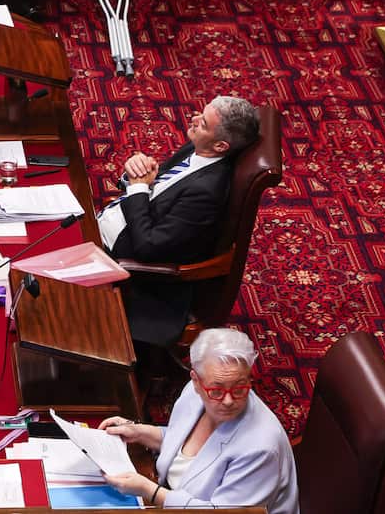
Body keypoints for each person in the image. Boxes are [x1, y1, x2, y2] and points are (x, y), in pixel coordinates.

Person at [98, 96, 260, 345]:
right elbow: (156, 188)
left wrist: (139, 188)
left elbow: (148, 247)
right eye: (200, 113)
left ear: (221, 147)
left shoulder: (206, 193)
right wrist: (134, 176)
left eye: (203, 123)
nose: (193, 120)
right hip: (107, 224)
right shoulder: (197, 148)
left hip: (118, 259)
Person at [99, 327, 299, 512]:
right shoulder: (194, 394)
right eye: (217, 390)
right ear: (196, 381)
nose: (228, 400)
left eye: (239, 388)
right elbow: (183, 444)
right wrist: (138, 432)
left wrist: (149, 491)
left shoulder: (261, 448)